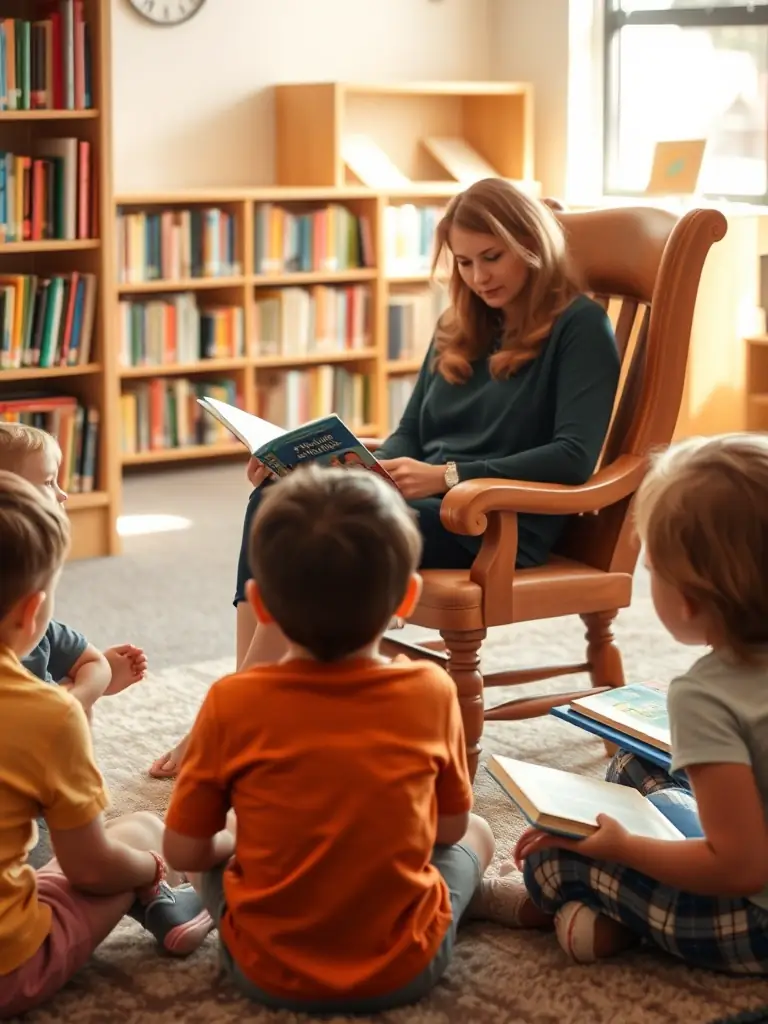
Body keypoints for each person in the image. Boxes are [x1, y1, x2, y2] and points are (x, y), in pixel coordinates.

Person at [150, 176, 621, 778]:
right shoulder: (462, 321)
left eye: (493, 257)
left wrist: (449, 475)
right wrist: (327, 461)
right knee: (279, 496)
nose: (479, 276)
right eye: (465, 261)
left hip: (494, 519)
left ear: (533, 244)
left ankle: (236, 716)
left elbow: (574, 456)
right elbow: (407, 439)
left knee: (325, 532)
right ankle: (252, 699)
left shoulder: (579, 327)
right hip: (422, 497)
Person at [161, 465, 512, 1013]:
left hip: (263, 970)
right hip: (406, 968)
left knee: (218, 838)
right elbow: (447, 828)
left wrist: (235, 841)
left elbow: (181, 850)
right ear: (407, 597)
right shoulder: (433, 689)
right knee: (482, 832)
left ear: (264, 607)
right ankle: (480, 902)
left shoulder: (233, 702)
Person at [490, 433, 768, 975]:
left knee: (550, 861)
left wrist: (623, 849)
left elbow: (740, 867)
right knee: (634, 759)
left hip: (754, 923)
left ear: (687, 598)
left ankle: (604, 921)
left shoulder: (705, 696)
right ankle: (620, 914)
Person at [0, 471, 212, 1020]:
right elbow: (90, 867)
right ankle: (166, 898)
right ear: (31, 614)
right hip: (10, 966)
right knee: (138, 833)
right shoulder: (49, 713)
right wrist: (146, 869)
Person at [0, 423, 147, 718]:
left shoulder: (37, 625)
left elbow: (96, 663)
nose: (63, 494)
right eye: (48, 482)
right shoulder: (29, 616)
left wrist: (73, 698)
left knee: (77, 686)